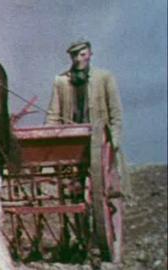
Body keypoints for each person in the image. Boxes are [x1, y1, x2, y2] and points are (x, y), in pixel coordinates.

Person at [46, 39, 131, 195]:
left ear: (90, 55)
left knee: (102, 186)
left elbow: (116, 113)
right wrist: (49, 139)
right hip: (72, 140)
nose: (79, 58)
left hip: (99, 141)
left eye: (82, 54)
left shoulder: (104, 77)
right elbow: (53, 113)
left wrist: (114, 140)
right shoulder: (61, 81)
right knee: (73, 188)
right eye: (75, 55)